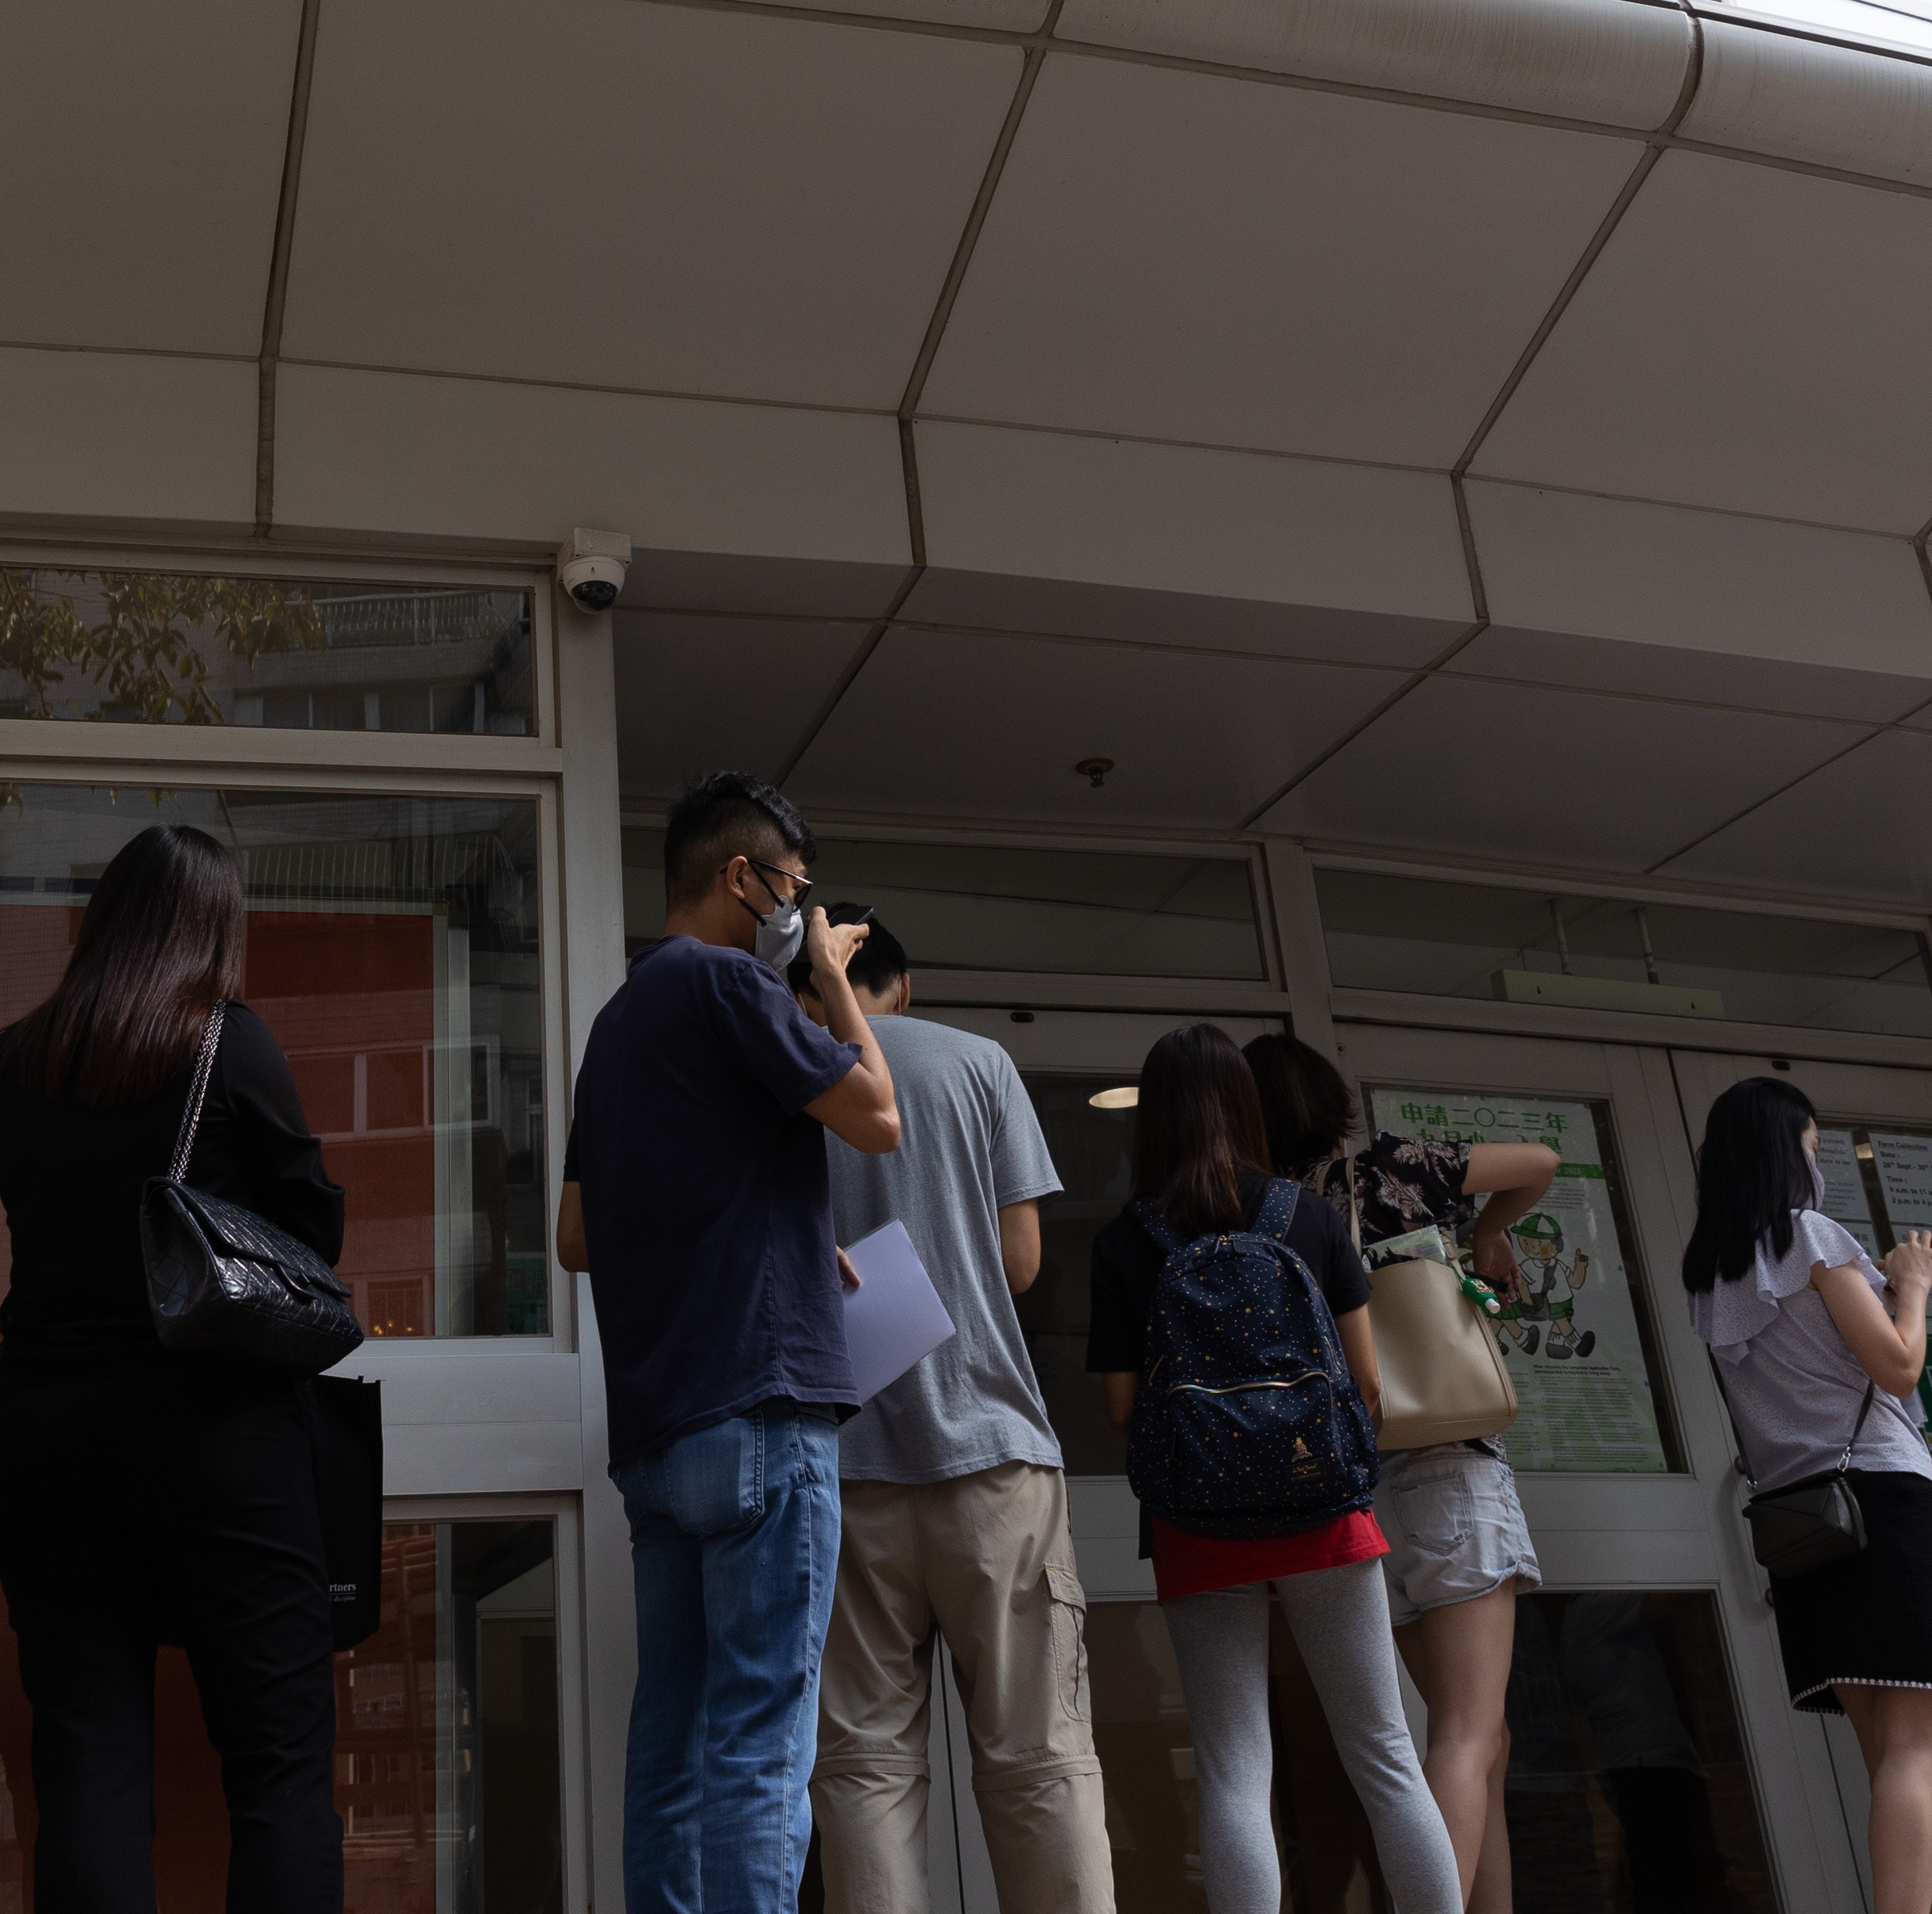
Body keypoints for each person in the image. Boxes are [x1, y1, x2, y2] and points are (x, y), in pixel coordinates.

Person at [0, 822, 347, 1914]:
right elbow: (311, 1227)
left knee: (87, 1763)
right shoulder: (227, 1045)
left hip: (47, 1441)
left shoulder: (11, 1064)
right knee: (278, 1771)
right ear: (213, 928)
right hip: (218, 1437)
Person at [556, 774, 900, 1914]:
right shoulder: (728, 981)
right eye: (794, 889)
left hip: (660, 1437)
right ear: (739, 878)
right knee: (762, 1743)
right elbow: (876, 1115)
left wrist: (775, 1232)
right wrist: (837, 983)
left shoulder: (617, 1021)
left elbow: (575, 1236)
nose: (800, 910)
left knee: (672, 1743)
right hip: (761, 1409)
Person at [1087, 1022, 1457, 1914]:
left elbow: (1122, 1411)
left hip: (1195, 1522)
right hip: (1322, 1509)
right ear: (1245, 1111)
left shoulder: (1125, 1242)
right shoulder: (1308, 1216)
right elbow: (1366, 1381)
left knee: (1232, 1768)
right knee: (1386, 1757)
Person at [788, 917, 1113, 1914]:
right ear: (905, 985)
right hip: (992, 1458)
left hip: (844, 1473)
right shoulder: (981, 1064)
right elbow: (1021, 1264)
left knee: (864, 1770)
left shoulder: (786, 1086)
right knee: (1039, 1758)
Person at [1243, 1030, 1563, 1910]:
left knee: (1477, 1738)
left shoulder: (1266, 1213)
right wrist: (1490, 1231)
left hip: (1353, 1488)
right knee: (1467, 1734)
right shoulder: (1391, 1168)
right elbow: (1540, 1160)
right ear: (1328, 1104)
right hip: (1446, 1466)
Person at [1680, 1076, 1932, 1914]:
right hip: (1880, 1499)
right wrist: (1912, 1284)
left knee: (1892, 1756)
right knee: (1920, 1751)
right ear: (1787, 1150)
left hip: (1804, 1525)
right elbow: (1898, 1366)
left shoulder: (1711, 1271)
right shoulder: (1810, 1235)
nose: (1818, 1166)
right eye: (1813, 1149)